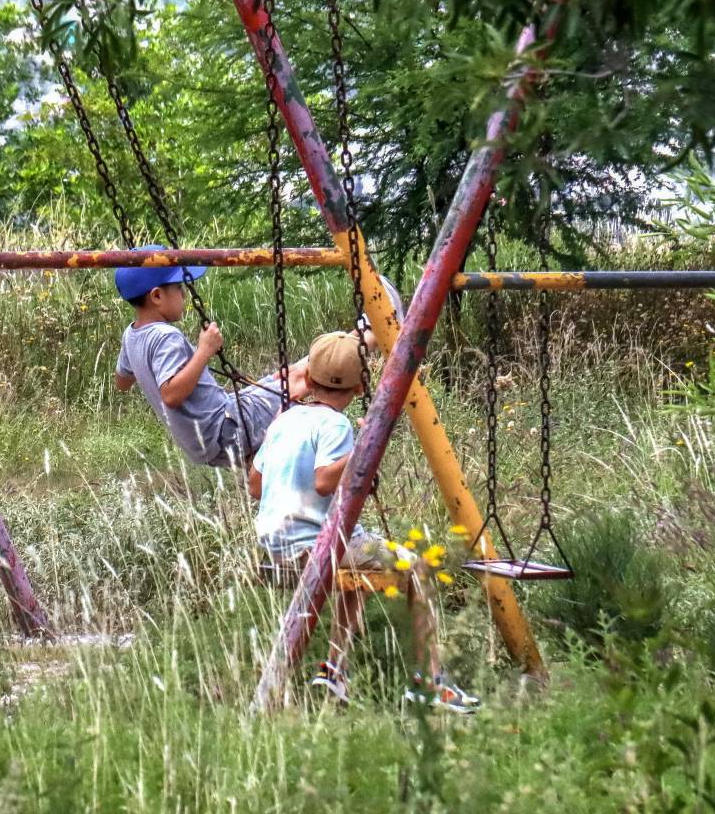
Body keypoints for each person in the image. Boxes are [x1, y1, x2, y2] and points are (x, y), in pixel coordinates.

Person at [248, 330, 480, 713]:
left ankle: (335, 668)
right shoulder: (337, 426)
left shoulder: (285, 420)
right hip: (314, 547)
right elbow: (325, 480)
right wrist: (362, 457)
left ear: (310, 377)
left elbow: (255, 486)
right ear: (359, 387)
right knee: (420, 568)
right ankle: (431, 680)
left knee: (356, 559)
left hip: (277, 544)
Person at [113, 250, 307, 468]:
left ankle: (264, 460)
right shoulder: (166, 336)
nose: (184, 295)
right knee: (300, 377)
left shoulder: (131, 335)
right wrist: (204, 351)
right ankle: (351, 341)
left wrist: (146, 368)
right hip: (224, 431)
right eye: (178, 288)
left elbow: (122, 382)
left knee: (280, 377)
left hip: (207, 439)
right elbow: (171, 395)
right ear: (157, 296)